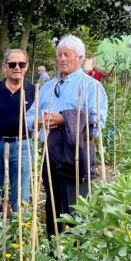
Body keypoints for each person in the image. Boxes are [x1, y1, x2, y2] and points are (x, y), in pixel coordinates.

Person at [26, 35, 108, 238]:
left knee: (76, 205)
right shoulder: (47, 87)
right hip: (50, 152)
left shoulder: (92, 87)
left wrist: (64, 119)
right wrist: (39, 121)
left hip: (76, 154)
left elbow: (98, 122)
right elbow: (29, 117)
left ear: (80, 58)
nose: (62, 59)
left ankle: (76, 252)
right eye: (59, 55)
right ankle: (54, 248)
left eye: (67, 54)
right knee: (53, 203)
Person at [0, 49, 35, 220]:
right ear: (5, 67)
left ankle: (18, 238)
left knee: (21, 194)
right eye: (12, 64)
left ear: (27, 67)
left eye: (22, 64)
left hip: (22, 145)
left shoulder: (33, 91)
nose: (17, 67)